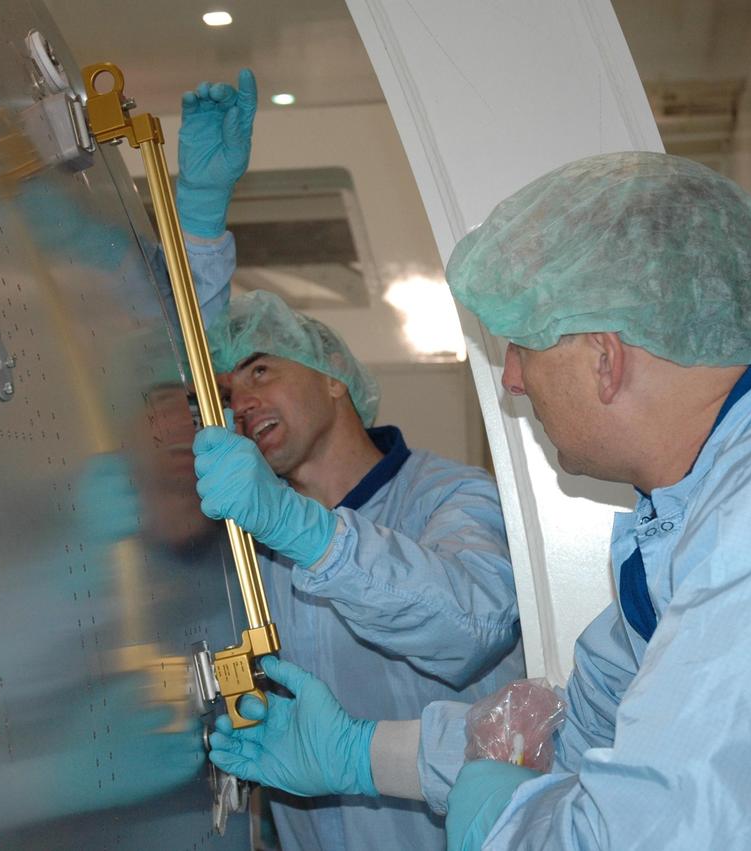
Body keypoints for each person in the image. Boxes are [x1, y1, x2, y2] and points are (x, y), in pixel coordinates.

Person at [205, 151, 751, 850]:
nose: (513, 378)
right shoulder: (709, 498)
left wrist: (506, 826)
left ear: (604, 357)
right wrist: (362, 753)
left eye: (521, 345)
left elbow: (671, 829)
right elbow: (575, 726)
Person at [177, 71, 526, 850]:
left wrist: (304, 530)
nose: (243, 399)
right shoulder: (251, 547)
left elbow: (471, 622)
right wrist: (197, 225)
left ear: (334, 376)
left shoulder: (450, 495)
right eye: (231, 390)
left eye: (263, 369)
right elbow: (179, 374)